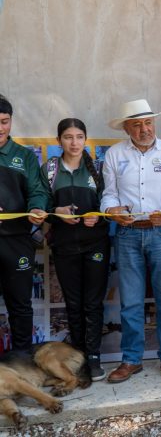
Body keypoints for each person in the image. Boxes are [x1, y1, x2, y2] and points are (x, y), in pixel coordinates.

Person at [100, 99, 161, 383]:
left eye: (147, 123)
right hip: (127, 233)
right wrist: (112, 210)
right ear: (126, 128)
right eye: (136, 124)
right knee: (131, 302)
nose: (143, 129)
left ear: (154, 124)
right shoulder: (114, 154)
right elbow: (109, 194)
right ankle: (131, 359)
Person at [44, 118, 111, 380]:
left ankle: (93, 357)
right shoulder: (49, 168)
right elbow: (39, 202)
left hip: (96, 244)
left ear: (86, 139)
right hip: (64, 245)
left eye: (79, 136)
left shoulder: (96, 168)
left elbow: (110, 201)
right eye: (68, 137)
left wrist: (100, 216)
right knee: (73, 303)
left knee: (93, 302)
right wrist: (55, 212)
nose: (74, 142)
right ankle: (78, 356)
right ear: (59, 140)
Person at [0, 94, 50, 353]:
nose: (0, 128)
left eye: (5, 121)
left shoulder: (24, 156)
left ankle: (22, 364)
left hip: (17, 241)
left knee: (20, 305)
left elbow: (38, 191)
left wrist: (36, 208)